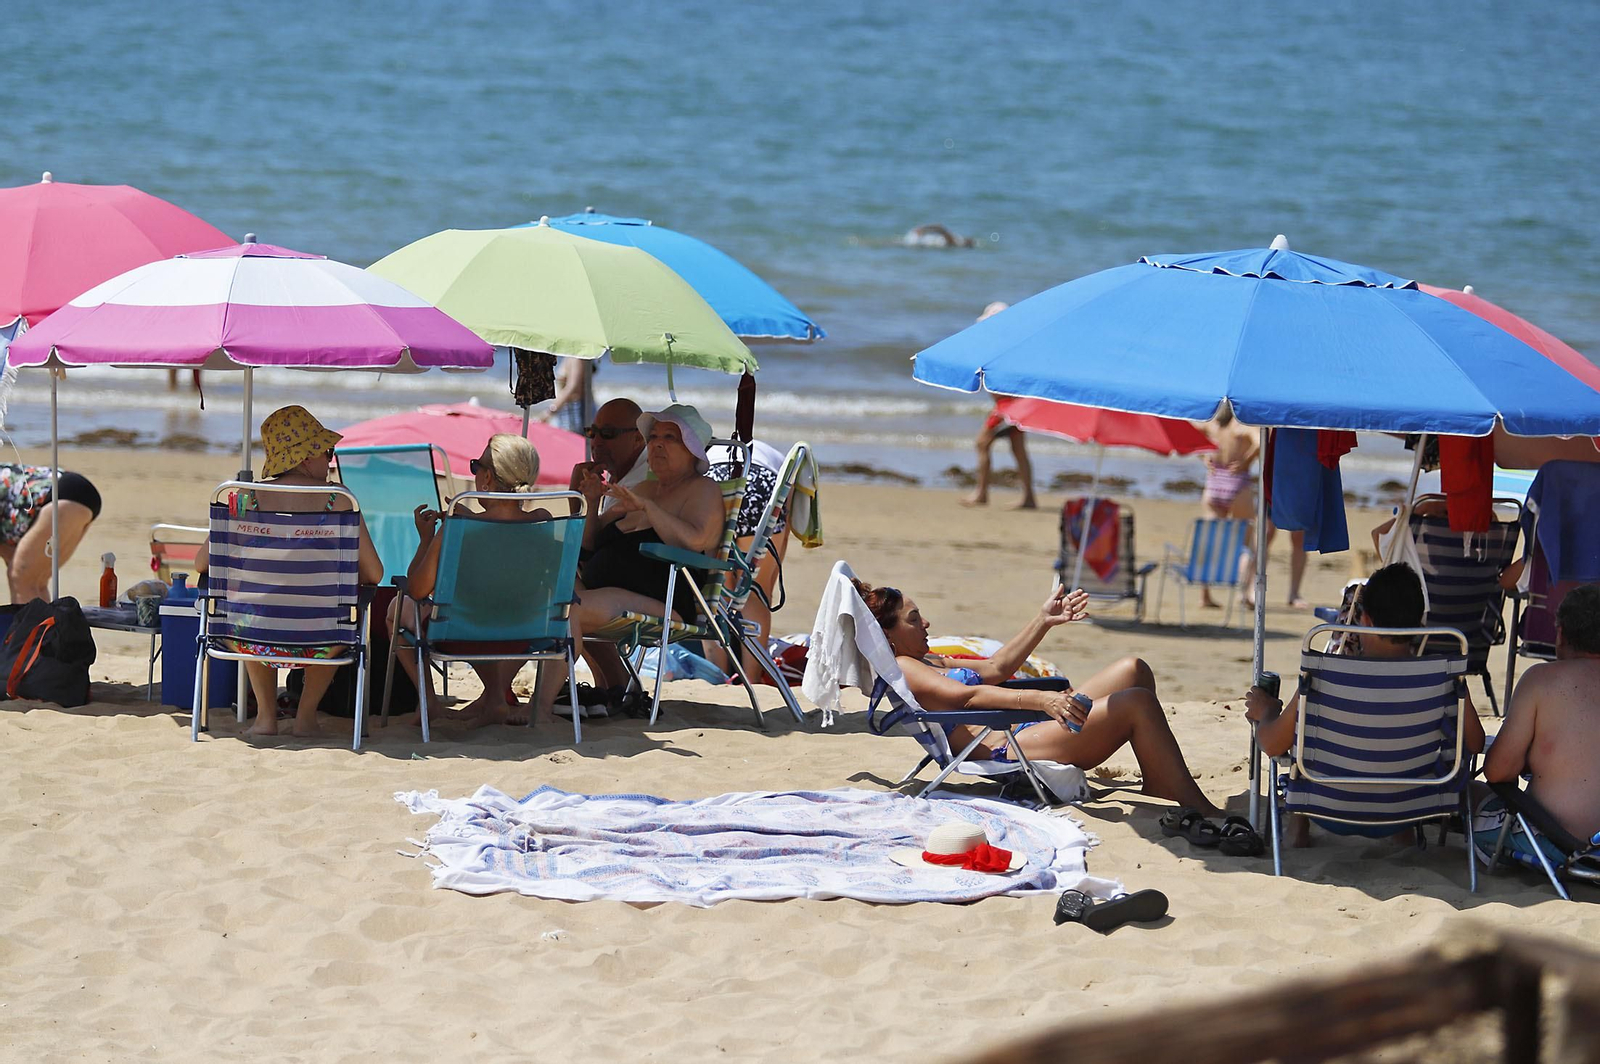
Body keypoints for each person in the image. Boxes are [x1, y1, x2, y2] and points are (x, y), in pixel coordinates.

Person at [853, 576, 1223, 815]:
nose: (926, 624)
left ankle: (1157, 778)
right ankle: (1190, 799)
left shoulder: (927, 658)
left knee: (1133, 670)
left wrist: (1043, 620)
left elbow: (997, 668)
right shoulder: (906, 667)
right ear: (888, 635)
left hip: (1026, 726)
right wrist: (1043, 700)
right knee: (1137, 702)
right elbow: (966, 697)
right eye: (914, 620)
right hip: (1010, 746)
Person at [1244, 563, 1485, 844]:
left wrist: (1268, 710)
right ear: (1419, 623)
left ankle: (1298, 830)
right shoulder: (1443, 677)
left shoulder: (1325, 675)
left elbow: (1272, 744)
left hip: (1326, 805)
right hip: (1411, 806)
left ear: (1366, 619)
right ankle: (1402, 834)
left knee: (1305, 741)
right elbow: (1476, 743)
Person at [193, 406, 384, 738]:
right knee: (335, 618)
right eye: (328, 452)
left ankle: (266, 717)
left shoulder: (246, 498)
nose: (330, 461)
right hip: (321, 639)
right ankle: (305, 716)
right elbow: (375, 573)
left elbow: (201, 564)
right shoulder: (338, 501)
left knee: (251, 607)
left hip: (253, 640)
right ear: (307, 457)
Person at [546, 404, 726, 717]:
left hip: (665, 600)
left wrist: (648, 509)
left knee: (566, 609)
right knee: (545, 590)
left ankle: (543, 704)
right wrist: (589, 501)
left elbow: (696, 541)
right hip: (609, 588)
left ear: (693, 449)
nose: (656, 443)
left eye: (670, 437)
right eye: (653, 435)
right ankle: (610, 688)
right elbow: (589, 543)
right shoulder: (645, 487)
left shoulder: (703, 490)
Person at [389, 433, 547, 728]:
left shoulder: (457, 528)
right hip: (528, 631)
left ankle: (430, 701)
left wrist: (428, 539)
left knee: (397, 608)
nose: (475, 473)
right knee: (490, 613)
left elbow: (418, 588)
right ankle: (495, 696)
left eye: (476, 466)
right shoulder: (543, 520)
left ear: (486, 479)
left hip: (464, 634)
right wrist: (470, 519)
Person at [1480, 583, 1600, 852]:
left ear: (1560, 634)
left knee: (1473, 796)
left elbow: (1498, 771)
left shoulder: (1541, 681)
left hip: (1558, 842)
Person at [962, 302, 1036, 510]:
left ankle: (982, 493)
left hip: (1008, 407)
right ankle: (1028, 496)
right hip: (1012, 405)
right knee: (1018, 449)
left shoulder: (1004, 347)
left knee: (982, 443)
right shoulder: (1010, 346)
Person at [0, 464, 104, 604]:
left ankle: (31, 626)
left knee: (21, 577)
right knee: (35, 581)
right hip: (74, 491)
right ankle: (43, 626)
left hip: (60, 495)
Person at [567, 397, 648, 516]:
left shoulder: (636, 488)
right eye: (592, 432)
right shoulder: (620, 465)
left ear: (638, 438)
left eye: (607, 433)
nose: (596, 442)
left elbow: (593, 534)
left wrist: (575, 495)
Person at [541, 356, 596, 435]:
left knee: (572, 442)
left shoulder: (576, 358)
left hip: (574, 409)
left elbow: (572, 388)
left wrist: (550, 411)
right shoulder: (580, 357)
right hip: (580, 407)